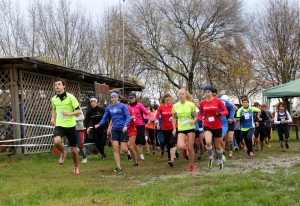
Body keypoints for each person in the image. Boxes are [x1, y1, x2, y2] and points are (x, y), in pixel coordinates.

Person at [50, 78, 81, 175]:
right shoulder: (53, 99)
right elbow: (54, 109)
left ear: (64, 86)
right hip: (59, 124)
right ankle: (63, 152)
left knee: (74, 150)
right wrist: (52, 118)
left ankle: (76, 167)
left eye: (59, 84)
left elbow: (79, 111)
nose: (57, 86)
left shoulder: (71, 97)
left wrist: (69, 114)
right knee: (57, 141)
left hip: (71, 126)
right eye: (55, 85)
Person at [95, 91, 131, 172]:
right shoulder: (109, 108)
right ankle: (118, 167)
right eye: (112, 97)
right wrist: (99, 124)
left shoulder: (122, 106)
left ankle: (128, 152)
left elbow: (128, 116)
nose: (113, 98)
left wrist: (125, 125)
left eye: (115, 97)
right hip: (115, 129)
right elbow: (104, 118)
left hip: (123, 129)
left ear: (118, 97)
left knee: (123, 148)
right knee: (115, 148)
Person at [199, 86, 228, 170]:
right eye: (205, 92)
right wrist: (200, 120)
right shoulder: (202, 103)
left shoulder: (218, 101)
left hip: (217, 125)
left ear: (212, 93)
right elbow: (201, 113)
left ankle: (220, 160)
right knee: (208, 142)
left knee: (218, 146)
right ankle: (211, 157)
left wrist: (220, 114)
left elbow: (226, 111)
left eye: (209, 92)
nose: (207, 94)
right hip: (208, 125)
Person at [172, 88, 198, 171]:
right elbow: (173, 117)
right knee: (180, 146)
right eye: (179, 94)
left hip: (190, 128)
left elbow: (196, 116)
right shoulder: (175, 106)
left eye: (182, 94)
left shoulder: (191, 105)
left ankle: (191, 165)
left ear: (185, 95)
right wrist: (174, 128)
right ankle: (184, 151)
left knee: (190, 148)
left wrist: (193, 122)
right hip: (181, 128)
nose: (181, 96)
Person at [155, 92, 177, 167]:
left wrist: (174, 117)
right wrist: (156, 120)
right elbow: (156, 115)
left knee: (172, 142)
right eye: (166, 100)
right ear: (163, 100)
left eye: (169, 100)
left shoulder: (173, 106)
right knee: (167, 143)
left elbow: (178, 115)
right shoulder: (161, 107)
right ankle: (169, 157)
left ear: (171, 100)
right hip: (165, 128)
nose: (168, 102)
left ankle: (171, 159)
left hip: (173, 127)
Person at [128, 93, 149, 161]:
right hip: (133, 126)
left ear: (135, 98)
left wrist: (147, 119)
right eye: (130, 98)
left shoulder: (139, 105)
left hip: (140, 124)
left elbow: (147, 113)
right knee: (137, 142)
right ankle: (141, 156)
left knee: (142, 141)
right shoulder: (128, 107)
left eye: (132, 98)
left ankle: (145, 139)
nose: (131, 99)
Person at [120, 99, 139, 166]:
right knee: (123, 149)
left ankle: (136, 162)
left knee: (131, 147)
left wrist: (128, 118)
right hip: (123, 130)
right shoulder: (120, 111)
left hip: (132, 129)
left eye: (125, 105)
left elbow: (134, 117)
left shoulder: (130, 109)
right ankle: (128, 153)